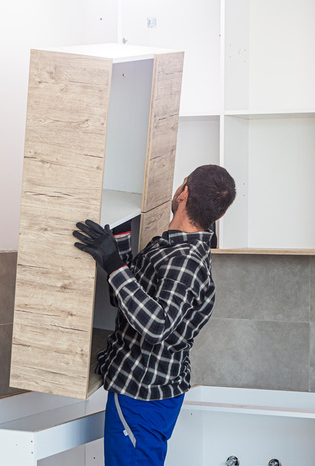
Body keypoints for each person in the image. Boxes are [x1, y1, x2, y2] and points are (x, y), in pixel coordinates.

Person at [73, 164, 236, 466]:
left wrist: (113, 264)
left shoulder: (185, 260)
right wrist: (118, 241)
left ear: (183, 191)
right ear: (220, 214)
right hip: (141, 391)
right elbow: (127, 301)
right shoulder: (167, 245)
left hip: (143, 395)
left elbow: (156, 325)